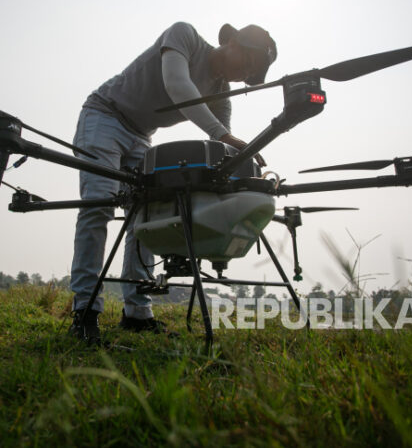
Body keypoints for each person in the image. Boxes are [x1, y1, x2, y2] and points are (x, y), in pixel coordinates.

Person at [69, 22, 278, 344]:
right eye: (248, 62)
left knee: (148, 217)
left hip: (141, 136)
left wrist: (246, 171)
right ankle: (84, 310)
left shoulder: (222, 95)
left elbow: (221, 152)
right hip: (104, 116)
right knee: (98, 204)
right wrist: (224, 136)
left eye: (252, 73)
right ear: (232, 41)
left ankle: (137, 313)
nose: (245, 74)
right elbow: (178, 85)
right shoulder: (185, 36)